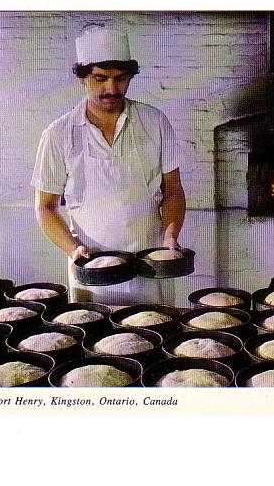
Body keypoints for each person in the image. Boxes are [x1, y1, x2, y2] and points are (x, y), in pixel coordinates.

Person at [31, 26, 185, 305]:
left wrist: (170, 236)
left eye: (121, 79)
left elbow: (173, 189)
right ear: (82, 79)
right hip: (93, 265)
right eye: (100, 79)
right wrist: (73, 249)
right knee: (96, 337)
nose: (112, 89)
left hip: (149, 261)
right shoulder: (58, 134)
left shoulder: (155, 122)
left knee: (156, 333)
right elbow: (45, 206)